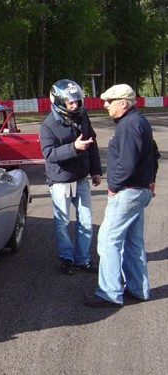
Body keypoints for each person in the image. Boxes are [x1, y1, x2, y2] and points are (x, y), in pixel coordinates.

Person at [85, 84, 159, 307]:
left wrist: (113, 187)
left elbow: (126, 165)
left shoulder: (128, 126)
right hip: (140, 190)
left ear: (123, 103)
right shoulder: (138, 121)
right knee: (133, 242)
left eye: (110, 101)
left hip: (128, 192)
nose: (105, 105)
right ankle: (138, 289)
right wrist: (151, 179)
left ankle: (109, 292)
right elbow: (153, 153)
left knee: (108, 240)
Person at [40, 79, 102, 275]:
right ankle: (66, 258)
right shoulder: (48, 125)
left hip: (81, 177)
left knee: (85, 219)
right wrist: (73, 148)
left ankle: (82, 259)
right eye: (70, 103)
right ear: (59, 102)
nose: (75, 106)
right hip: (61, 180)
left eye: (77, 101)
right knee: (62, 221)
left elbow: (92, 144)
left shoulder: (83, 116)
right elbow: (49, 154)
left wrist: (96, 170)